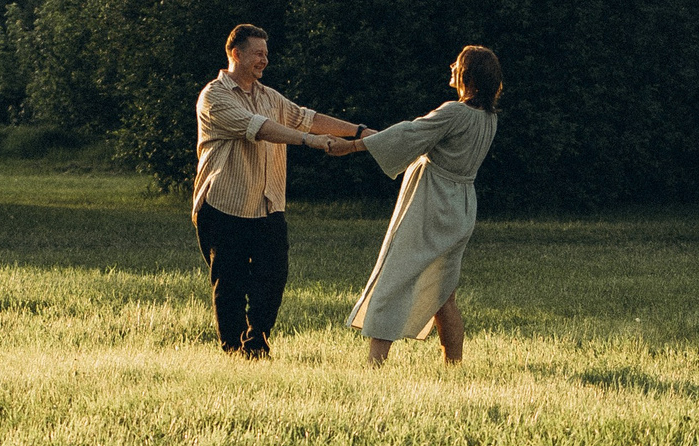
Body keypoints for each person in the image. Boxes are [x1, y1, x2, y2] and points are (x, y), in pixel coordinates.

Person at [191, 24, 364, 357]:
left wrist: (359, 132)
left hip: (267, 204)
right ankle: (234, 351)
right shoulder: (214, 96)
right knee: (229, 284)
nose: (264, 60)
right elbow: (259, 128)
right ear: (235, 54)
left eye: (266, 54)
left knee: (273, 279)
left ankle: (257, 343)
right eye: (258, 53)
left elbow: (307, 118)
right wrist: (311, 142)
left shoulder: (269, 96)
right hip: (224, 204)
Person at [343, 45, 504, 366]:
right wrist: (374, 139)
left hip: (432, 205)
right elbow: (417, 137)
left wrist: (355, 145)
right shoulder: (488, 119)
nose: (451, 66)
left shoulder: (455, 112)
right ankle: (453, 366)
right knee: (444, 293)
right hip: (460, 207)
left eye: (457, 64)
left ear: (467, 74)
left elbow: (412, 132)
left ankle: (374, 365)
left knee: (395, 277)